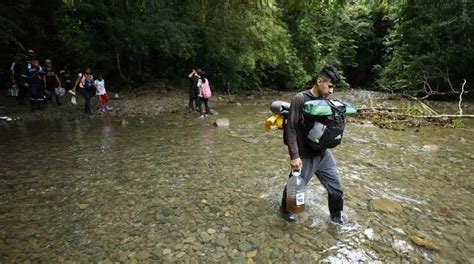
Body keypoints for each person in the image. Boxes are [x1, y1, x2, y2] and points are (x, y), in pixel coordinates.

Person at [280, 65, 345, 224]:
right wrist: (294, 156)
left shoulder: (325, 102)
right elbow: (291, 128)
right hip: (304, 156)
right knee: (295, 188)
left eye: (333, 88)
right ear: (319, 81)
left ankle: (337, 219)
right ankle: (284, 210)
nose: (331, 91)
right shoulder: (300, 99)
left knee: (336, 188)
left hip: (323, 154)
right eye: (329, 86)